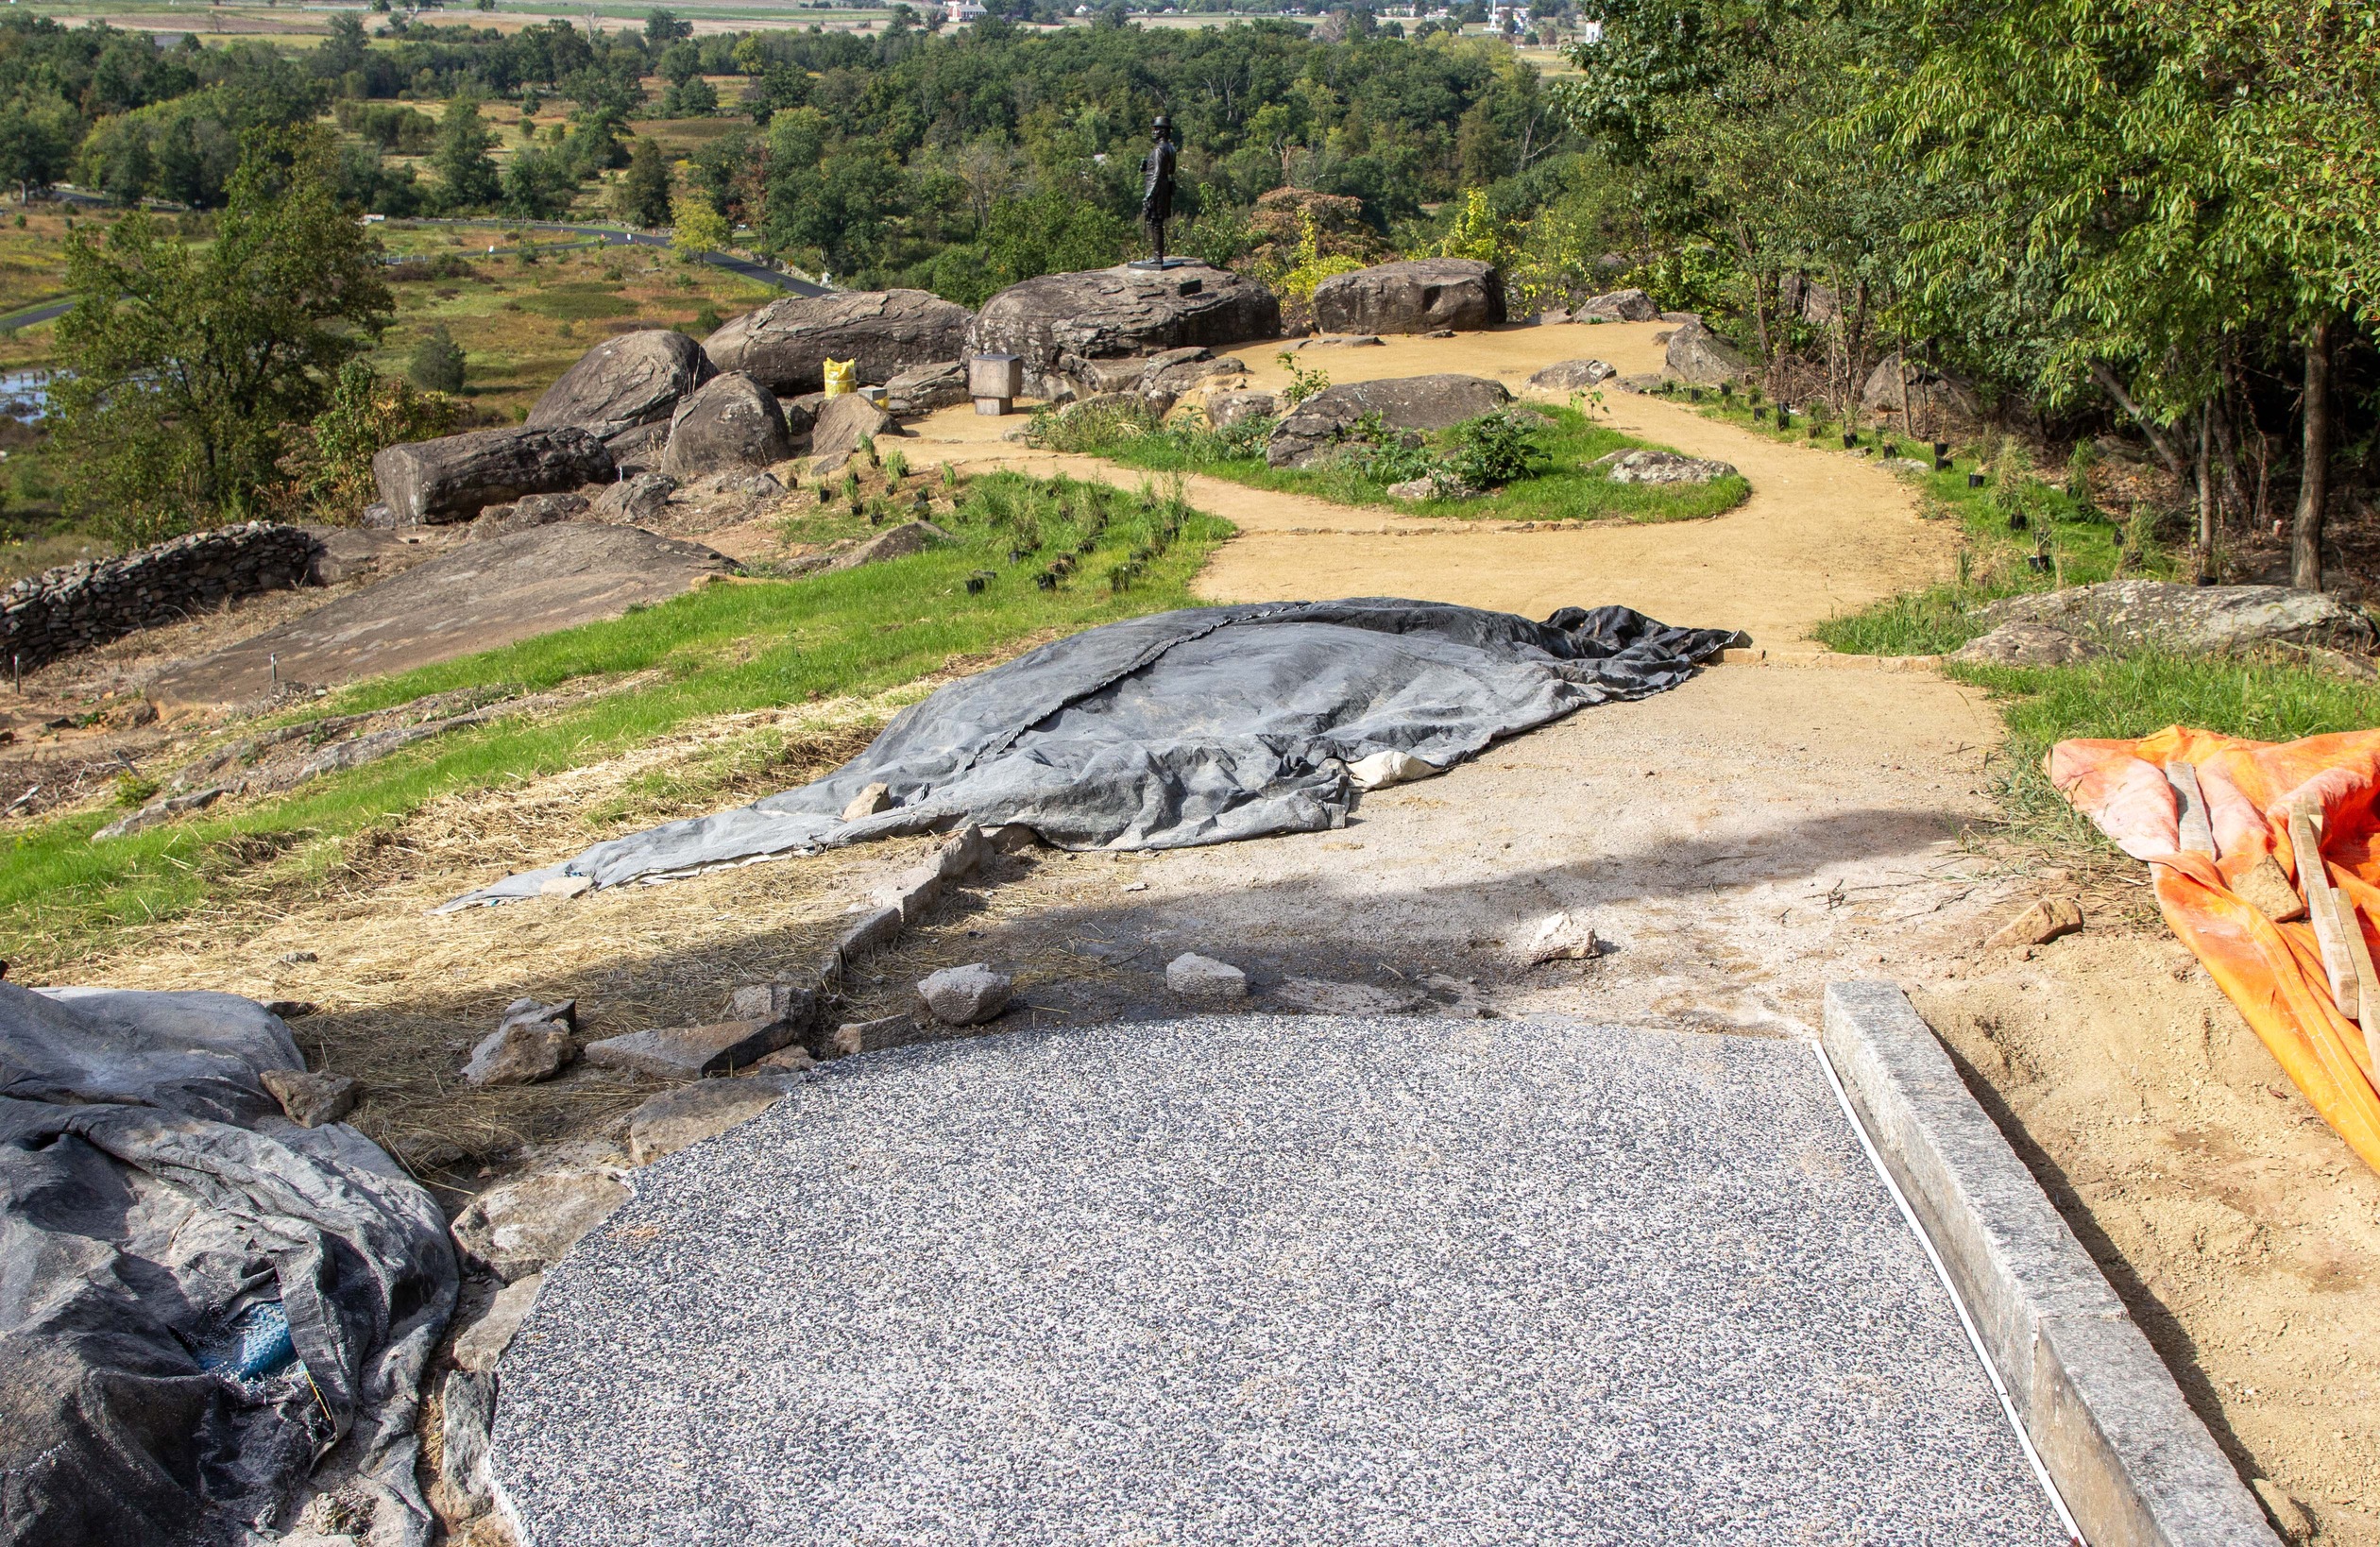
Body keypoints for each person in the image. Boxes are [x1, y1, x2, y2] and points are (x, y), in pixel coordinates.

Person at [1139, 114, 1178, 263]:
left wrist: (1149, 194)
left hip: (1156, 190)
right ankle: (1157, 255)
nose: (1153, 132)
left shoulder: (1159, 150)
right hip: (1164, 189)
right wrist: (1147, 164)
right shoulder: (1171, 148)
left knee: (1155, 223)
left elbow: (1157, 173)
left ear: (1163, 131)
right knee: (1157, 223)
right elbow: (1170, 170)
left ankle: (1157, 256)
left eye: (1156, 129)